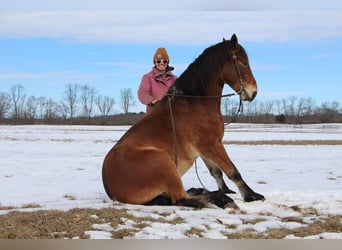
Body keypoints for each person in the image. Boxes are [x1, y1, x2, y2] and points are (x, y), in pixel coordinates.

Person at [138, 47, 177, 114]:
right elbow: (142, 93)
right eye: (159, 61)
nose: (161, 63)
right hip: (154, 115)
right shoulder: (147, 77)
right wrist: (153, 101)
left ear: (167, 62)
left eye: (164, 61)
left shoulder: (174, 79)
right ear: (155, 62)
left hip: (172, 115)